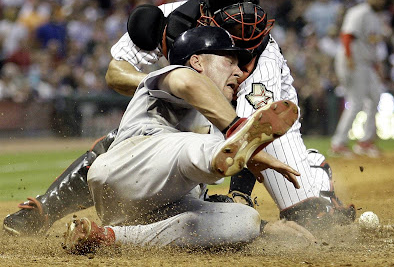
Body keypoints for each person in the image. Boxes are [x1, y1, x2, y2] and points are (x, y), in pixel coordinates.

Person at [3, 0, 354, 236]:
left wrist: (240, 194)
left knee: (308, 215)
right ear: (206, 18)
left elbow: (253, 129)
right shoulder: (173, 21)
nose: (245, 32)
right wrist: (161, 83)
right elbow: (115, 71)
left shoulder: (264, 56)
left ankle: (313, 173)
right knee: (128, 139)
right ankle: (45, 208)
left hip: (264, 118)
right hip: (191, 117)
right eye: (233, 22)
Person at [64, 26, 311, 253]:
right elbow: (187, 82)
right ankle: (231, 150)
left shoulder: (217, 123)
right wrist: (238, 130)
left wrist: (266, 229)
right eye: (229, 61)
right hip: (126, 168)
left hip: (146, 208)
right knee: (195, 147)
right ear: (197, 61)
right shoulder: (175, 74)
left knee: (245, 220)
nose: (238, 72)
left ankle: (108, 237)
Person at [329, 0, 387, 158]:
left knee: (376, 96)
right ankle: (338, 143)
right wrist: (349, 60)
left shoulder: (376, 17)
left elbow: (371, 45)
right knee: (356, 102)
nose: (378, 1)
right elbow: (346, 36)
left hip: (365, 63)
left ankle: (365, 142)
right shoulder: (359, 12)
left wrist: (376, 66)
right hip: (352, 60)